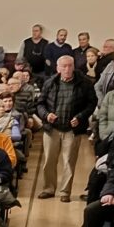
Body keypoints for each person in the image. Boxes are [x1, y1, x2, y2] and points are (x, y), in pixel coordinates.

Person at [36, 55, 97, 201]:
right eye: (64, 66)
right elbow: (40, 103)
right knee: (49, 161)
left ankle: (65, 192)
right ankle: (49, 188)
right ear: (58, 68)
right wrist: (46, 115)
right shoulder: (50, 82)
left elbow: (92, 103)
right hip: (52, 128)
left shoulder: (85, 83)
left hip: (72, 129)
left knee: (69, 161)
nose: (67, 69)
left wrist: (80, 117)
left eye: (70, 65)